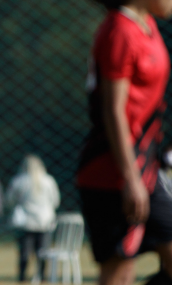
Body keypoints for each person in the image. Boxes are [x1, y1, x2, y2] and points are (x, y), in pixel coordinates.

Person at [77, 1, 172, 284]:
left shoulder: (147, 26)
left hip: (145, 169)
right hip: (114, 173)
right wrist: (131, 178)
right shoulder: (120, 30)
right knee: (119, 271)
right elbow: (113, 111)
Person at [6, 154, 59, 282]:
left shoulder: (18, 181)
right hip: (45, 222)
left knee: (24, 252)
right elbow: (56, 201)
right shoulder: (49, 181)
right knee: (43, 251)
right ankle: (41, 277)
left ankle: (22, 277)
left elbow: (9, 200)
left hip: (25, 222)